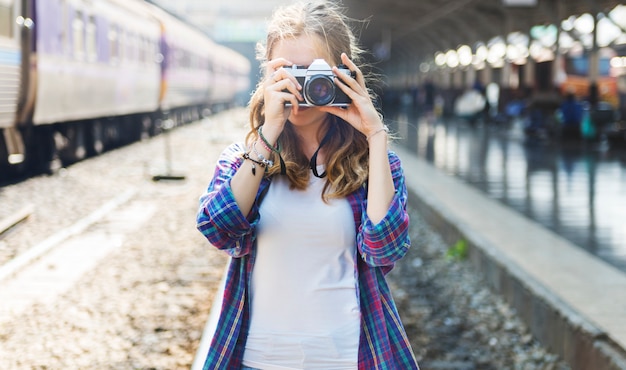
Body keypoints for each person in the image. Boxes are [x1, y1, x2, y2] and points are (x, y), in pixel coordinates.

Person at [196, 1, 419, 369]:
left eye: (312, 73)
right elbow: (219, 231)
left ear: (344, 73)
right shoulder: (242, 159)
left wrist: (375, 135)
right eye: (287, 73)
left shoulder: (375, 166)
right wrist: (268, 133)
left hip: (349, 359)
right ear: (267, 77)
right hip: (259, 360)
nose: (299, 88)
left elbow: (385, 250)